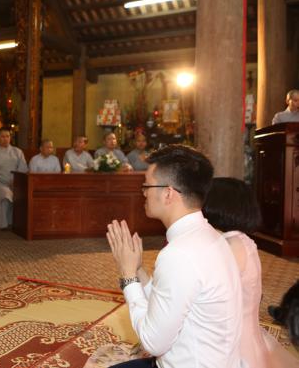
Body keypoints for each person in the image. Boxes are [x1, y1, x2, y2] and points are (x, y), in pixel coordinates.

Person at [106, 145, 243, 368]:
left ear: (168, 193)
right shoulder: (212, 237)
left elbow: (152, 342)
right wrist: (139, 269)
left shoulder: (179, 254)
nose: (143, 192)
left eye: (146, 185)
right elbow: (168, 302)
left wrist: (128, 276)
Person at [203, 178, 299, 368]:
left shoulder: (231, 248)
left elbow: (212, 298)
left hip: (233, 339)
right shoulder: (240, 239)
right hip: (245, 327)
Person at [0, 127, 28, 230]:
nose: (5, 139)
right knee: (4, 193)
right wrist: (5, 182)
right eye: (3, 136)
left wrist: (15, 182)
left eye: (7, 136)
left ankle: (14, 222)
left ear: (10, 138)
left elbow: (23, 168)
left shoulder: (17, 151)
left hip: (15, 183)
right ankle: (1, 224)